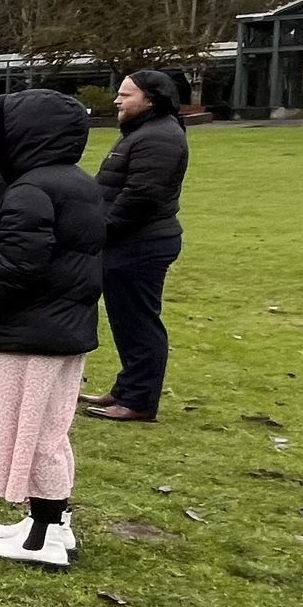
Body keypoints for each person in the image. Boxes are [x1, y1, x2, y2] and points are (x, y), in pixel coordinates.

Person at [0, 89, 105, 569]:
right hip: (59, 326)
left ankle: (42, 537)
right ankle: (48, 520)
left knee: (34, 430)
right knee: (48, 425)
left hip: (33, 330)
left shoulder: (34, 189)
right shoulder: (74, 182)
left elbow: (21, 264)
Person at [83, 69, 190, 422]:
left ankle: (140, 400)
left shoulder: (159, 137)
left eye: (126, 94)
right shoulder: (143, 132)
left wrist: (104, 229)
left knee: (139, 323)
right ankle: (127, 388)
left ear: (151, 99)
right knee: (126, 321)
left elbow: (141, 196)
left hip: (140, 244)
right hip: (128, 243)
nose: (117, 99)